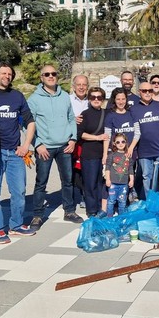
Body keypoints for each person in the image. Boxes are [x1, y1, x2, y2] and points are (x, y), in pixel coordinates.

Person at [0, 62, 37, 244]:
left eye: (10, 74)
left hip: (15, 153)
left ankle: (16, 224)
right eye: (3, 73)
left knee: (19, 191)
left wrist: (26, 145)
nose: (7, 76)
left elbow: (30, 121)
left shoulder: (17, 96)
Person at [27, 65, 80, 230]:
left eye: (54, 74)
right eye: (47, 74)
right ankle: (37, 215)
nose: (51, 76)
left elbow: (71, 118)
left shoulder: (64, 96)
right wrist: (37, 144)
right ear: (41, 78)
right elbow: (28, 124)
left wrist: (73, 139)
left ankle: (69, 211)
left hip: (64, 146)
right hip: (45, 148)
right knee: (41, 182)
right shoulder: (34, 99)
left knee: (68, 181)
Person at [131, 81, 159, 198]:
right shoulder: (133, 109)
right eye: (144, 91)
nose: (147, 93)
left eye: (150, 90)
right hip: (144, 150)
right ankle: (150, 199)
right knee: (147, 176)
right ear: (139, 92)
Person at [79, 87, 109, 217]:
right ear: (89, 99)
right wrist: (97, 137)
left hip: (105, 153)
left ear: (103, 99)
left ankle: (101, 208)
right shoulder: (85, 114)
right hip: (89, 153)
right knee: (90, 183)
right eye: (93, 97)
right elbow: (80, 134)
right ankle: (91, 210)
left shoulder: (107, 113)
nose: (96, 99)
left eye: (99, 97)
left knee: (101, 183)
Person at [69, 74, 89, 210]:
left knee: (85, 170)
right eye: (79, 84)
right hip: (71, 140)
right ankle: (69, 200)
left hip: (87, 140)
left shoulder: (91, 100)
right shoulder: (67, 100)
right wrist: (72, 119)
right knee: (70, 171)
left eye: (84, 85)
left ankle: (84, 196)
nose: (81, 87)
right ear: (73, 86)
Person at [105, 133, 134, 217]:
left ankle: (121, 218)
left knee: (122, 202)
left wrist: (131, 180)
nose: (120, 144)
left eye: (123, 142)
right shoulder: (111, 155)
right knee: (111, 201)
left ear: (126, 143)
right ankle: (109, 218)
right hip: (113, 183)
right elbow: (107, 168)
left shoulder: (128, 156)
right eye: (118, 142)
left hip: (124, 184)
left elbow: (130, 169)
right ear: (114, 143)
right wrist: (108, 179)